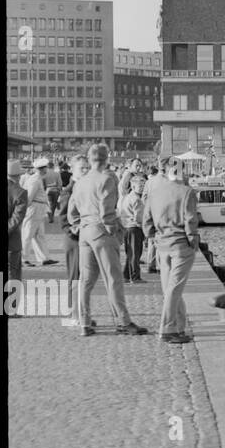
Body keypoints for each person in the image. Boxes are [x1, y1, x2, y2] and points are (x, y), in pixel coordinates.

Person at [69, 143, 146, 337]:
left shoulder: (81, 181)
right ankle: (123, 321)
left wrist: (80, 226)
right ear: (107, 158)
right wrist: (115, 232)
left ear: (90, 159)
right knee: (113, 279)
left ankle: (84, 322)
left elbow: (72, 212)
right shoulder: (106, 179)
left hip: (85, 231)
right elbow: (106, 211)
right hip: (102, 231)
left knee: (86, 280)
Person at [143, 155, 200, 345]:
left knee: (170, 288)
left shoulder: (155, 192)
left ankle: (179, 326)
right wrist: (193, 241)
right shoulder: (186, 192)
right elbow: (190, 221)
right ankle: (167, 329)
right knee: (174, 289)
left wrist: (154, 237)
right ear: (180, 171)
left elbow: (146, 221)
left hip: (162, 245)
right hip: (181, 245)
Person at [59, 154, 91, 326]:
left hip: (87, 240)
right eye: (82, 168)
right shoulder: (68, 191)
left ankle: (84, 314)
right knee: (75, 277)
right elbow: (63, 220)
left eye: (87, 167)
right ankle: (74, 315)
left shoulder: (88, 187)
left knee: (86, 278)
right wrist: (77, 232)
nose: (85, 170)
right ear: (72, 169)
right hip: (74, 240)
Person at [20, 157, 54, 267]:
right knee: (28, 234)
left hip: (38, 208)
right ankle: (23, 258)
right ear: (42, 169)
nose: (46, 170)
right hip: (34, 208)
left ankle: (44, 258)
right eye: (45, 168)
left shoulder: (37, 178)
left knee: (39, 235)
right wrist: (25, 211)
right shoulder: (35, 180)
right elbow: (29, 197)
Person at [7, 160, 27, 316]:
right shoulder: (20, 192)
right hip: (12, 241)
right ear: (19, 175)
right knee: (13, 274)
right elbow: (17, 218)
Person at [119, 173, 147, 283]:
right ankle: (135, 277)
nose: (143, 188)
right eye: (141, 186)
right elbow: (139, 218)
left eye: (143, 185)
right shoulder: (137, 200)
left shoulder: (127, 197)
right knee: (135, 254)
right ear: (134, 186)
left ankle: (126, 275)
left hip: (127, 227)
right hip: (135, 228)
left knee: (130, 253)